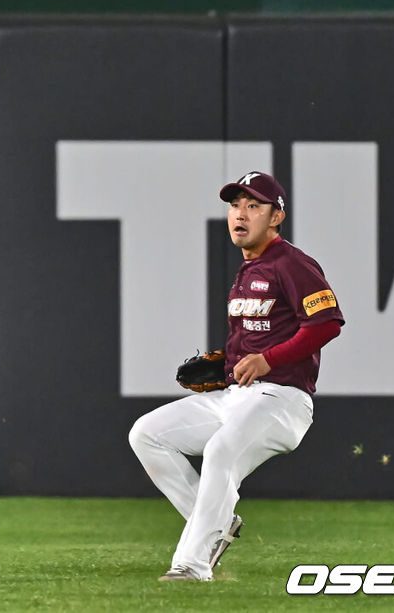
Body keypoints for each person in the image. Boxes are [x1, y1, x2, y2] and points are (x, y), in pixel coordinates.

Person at [128, 171, 343, 582]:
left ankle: (192, 565)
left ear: (276, 217)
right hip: (239, 396)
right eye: (234, 205)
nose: (240, 214)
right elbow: (259, 338)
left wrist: (267, 359)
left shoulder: (292, 264)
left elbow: (326, 324)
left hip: (283, 399)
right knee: (147, 434)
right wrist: (230, 363)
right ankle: (215, 524)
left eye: (253, 206)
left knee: (221, 451)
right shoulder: (248, 269)